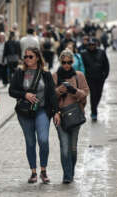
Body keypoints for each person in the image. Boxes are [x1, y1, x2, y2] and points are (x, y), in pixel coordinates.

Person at [9, 47, 60, 184]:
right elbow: (11, 91)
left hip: (42, 110)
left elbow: (52, 94)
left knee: (43, 140)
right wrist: (24, 94)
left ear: (37, 57)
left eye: (30, 56)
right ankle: (33, 172)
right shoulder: (20, 72)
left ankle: (43, 170)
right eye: (25, 57)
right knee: (30, 142)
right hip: (25, 112)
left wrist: (56, 111)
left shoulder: (45, 73)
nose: (27, 59)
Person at [52, 49, 89, 184]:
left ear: (73, 62)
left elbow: (85, 93)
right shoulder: (55, 76)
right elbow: (50, 97)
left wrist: (74, 91)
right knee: (64, 147)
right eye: (64, 62)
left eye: (69, 62)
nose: (67, 65)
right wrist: (59, 90)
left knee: (73, 148)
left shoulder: (79, 75)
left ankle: (71, 171)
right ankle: (67, 175)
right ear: (60, 62)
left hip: (75, 115)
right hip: (60, 116)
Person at [80, 38, 110, 121]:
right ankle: (94, 112)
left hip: (100, 78)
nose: (91, 46)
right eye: (90, 45)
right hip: (89, 78)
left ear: (96, 45)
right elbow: (81, 65)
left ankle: (94, 108)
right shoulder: (84, 54)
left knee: (99, 94)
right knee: (93, 95)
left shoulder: (101, 52)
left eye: (93, 45)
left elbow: (106, 64)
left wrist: (105, 75)